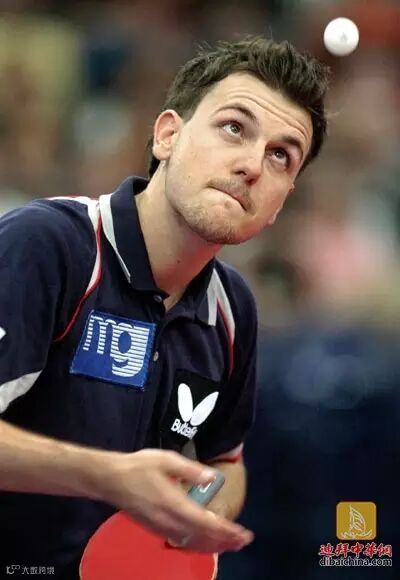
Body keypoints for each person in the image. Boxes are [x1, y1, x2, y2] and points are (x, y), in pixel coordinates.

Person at [0, 36, 329, 577]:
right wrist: (109, 477)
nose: (252, 165)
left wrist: (197, 516)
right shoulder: (48, 245)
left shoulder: (232, 309)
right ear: (167, 136)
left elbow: (225, 462)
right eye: (234, 128)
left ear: (280, 204)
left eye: (280, 156)